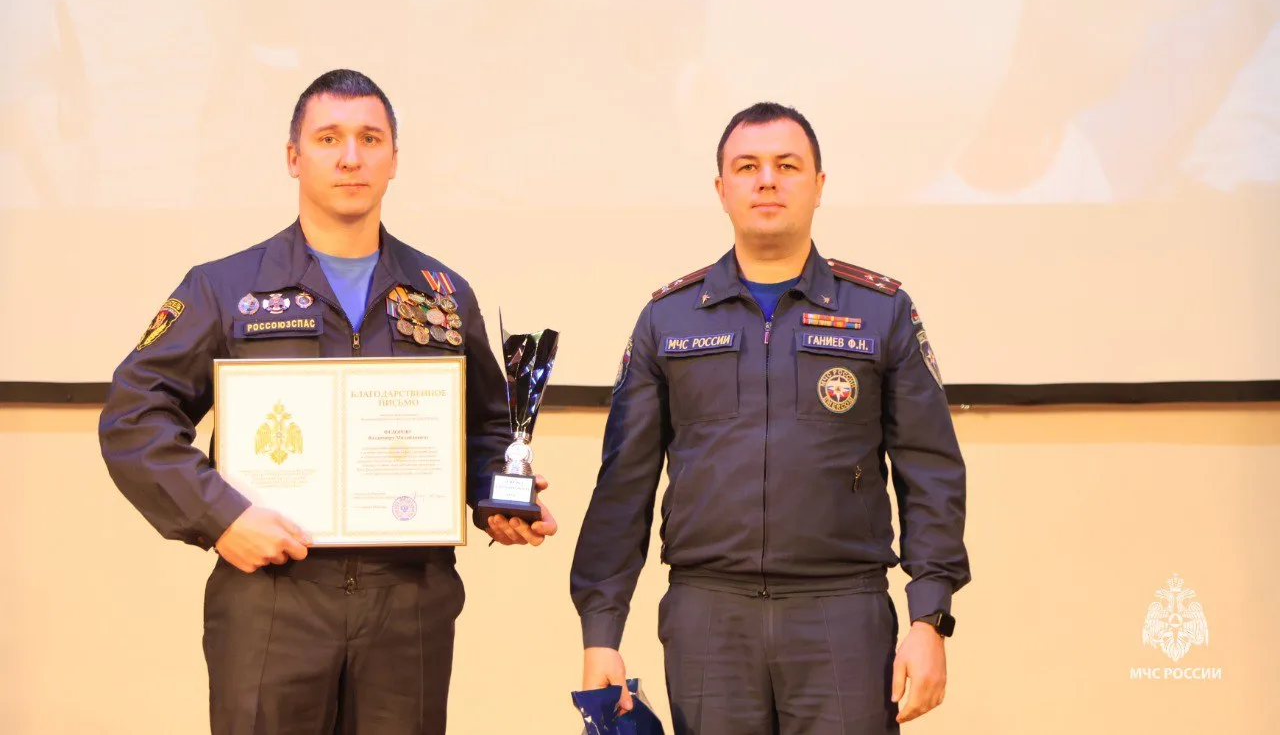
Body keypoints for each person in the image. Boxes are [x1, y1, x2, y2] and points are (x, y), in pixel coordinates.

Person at [99, 68, 557, 734]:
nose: (350, 157)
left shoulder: (443, 293)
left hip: (408, 600)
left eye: (370, 139)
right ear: (293, 156)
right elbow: (134, 418)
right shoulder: (225, 288)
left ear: (394, 159)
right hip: (272, 595)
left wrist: (500, 497)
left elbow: (485, 426)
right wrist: (221, 517)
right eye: (328, 138)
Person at [571, 102, 969, 734]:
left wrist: (930, 619)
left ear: (819, 184)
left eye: (787, 166)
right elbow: (623, 487)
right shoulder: (668, 320)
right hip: (709, 616)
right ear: (721, 189)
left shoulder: (881, 312)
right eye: (747, 166)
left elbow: (931, 473)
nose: (766, 181)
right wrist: (601, 632)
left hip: (843, 612)